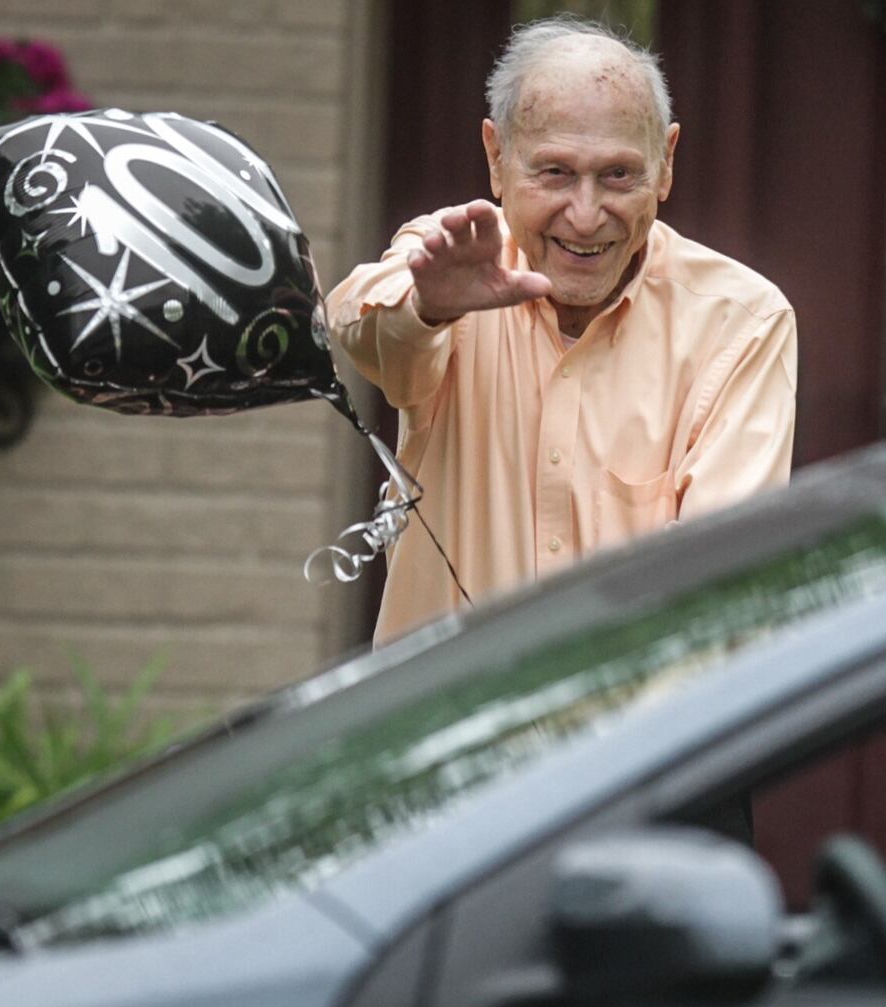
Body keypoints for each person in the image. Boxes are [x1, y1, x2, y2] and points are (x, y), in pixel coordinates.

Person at [328, 16, 798, 645]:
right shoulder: (454, 261)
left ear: (666, 164)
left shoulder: (742, 322)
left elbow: (720, 581)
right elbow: (363, 330)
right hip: (447, 731)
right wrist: (430, 309)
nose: (584, 215)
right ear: (497, 158)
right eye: (554, 173)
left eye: (618, 175)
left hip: (643, 736)